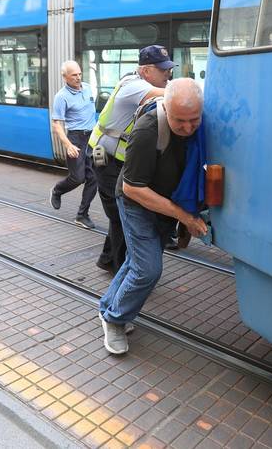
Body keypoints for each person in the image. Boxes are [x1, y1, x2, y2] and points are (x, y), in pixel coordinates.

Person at [98, 78, 208, 355]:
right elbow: (132, 188)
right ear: (166, 110)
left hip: (164, 201)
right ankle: (115, 319)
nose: (187, 128)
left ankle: (107, 307)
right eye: (179, 121)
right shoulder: (148, 129)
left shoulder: (199, 125)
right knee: (148, 269)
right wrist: (185, 216)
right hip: (138, 201)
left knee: (138, 262)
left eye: (194, 120)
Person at [88, 45, 173, 273]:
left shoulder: (143, 83)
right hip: (103, 158)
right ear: (146, 71)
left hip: (117, 160)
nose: (168, 74)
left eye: (169, 69)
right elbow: (174, 94)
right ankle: (119, 268)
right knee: (120, 215)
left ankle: (108, 259)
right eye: (163, 70)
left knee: (120, 214)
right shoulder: (134, 86)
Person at [49, 60, 98, 229]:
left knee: (94, 178)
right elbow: (57, 124)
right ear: (65, 77)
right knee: (78, 177)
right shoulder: (61, 96)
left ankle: (82, 215)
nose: (78, 78)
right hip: (75, 139)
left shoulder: (88, 88)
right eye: (73, 75)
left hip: (92, 138)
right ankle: (57, 190)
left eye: (79, 74)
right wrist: (68, 145)